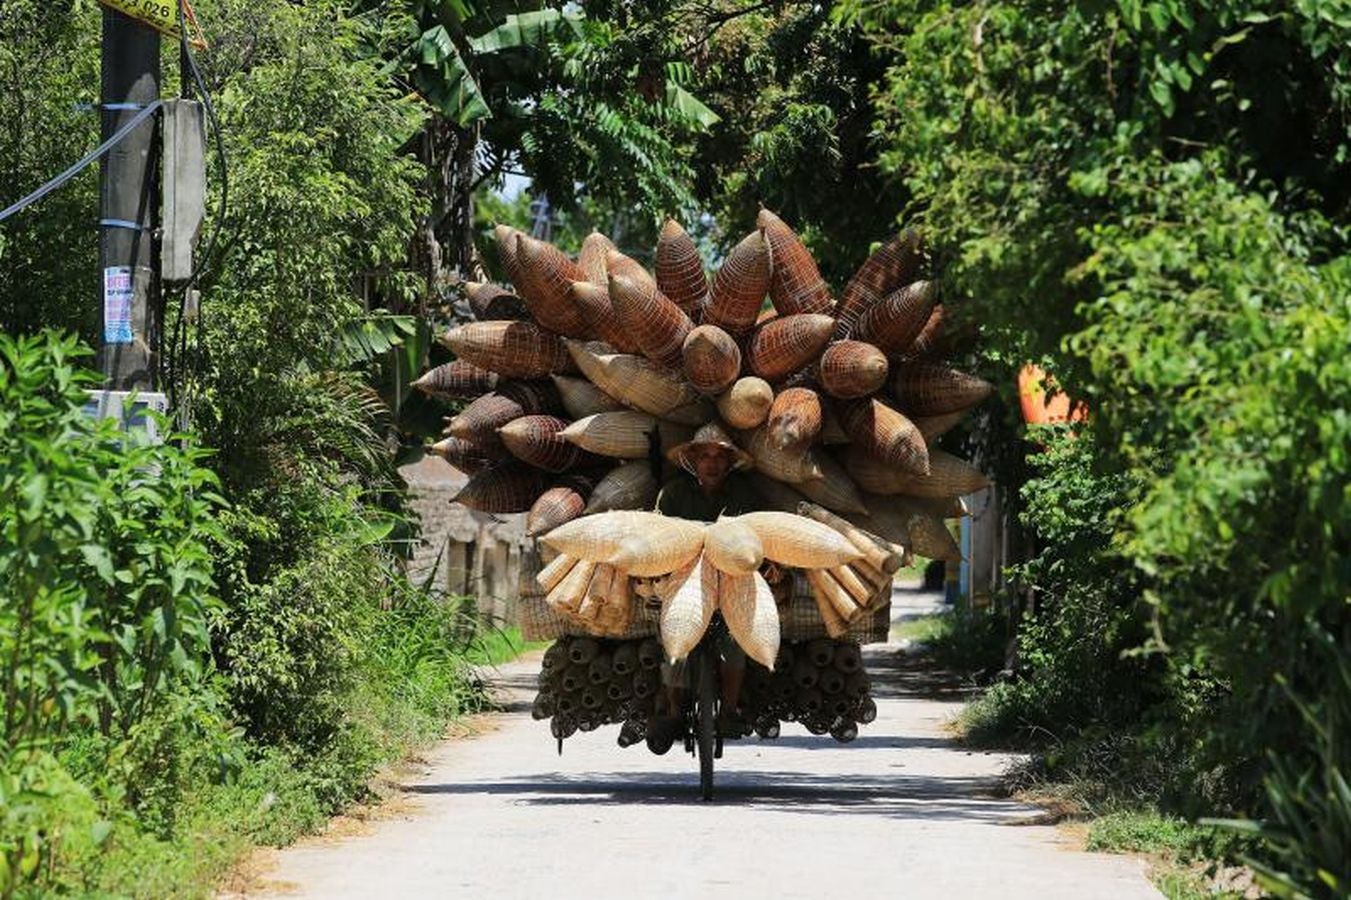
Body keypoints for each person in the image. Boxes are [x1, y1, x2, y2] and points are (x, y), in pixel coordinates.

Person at [644, 423, 786, 754]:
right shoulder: (674, 494)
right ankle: (674, 710)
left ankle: (729, 710)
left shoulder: (743, 495)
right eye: (704, 456)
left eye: (719, 457)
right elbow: (660, 533)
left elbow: (757, 534)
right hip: (687, 579)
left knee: (734, 640)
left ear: (729, 462)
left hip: (731, 580)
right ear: (693, 460)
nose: (712, 463)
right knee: (674, 640)